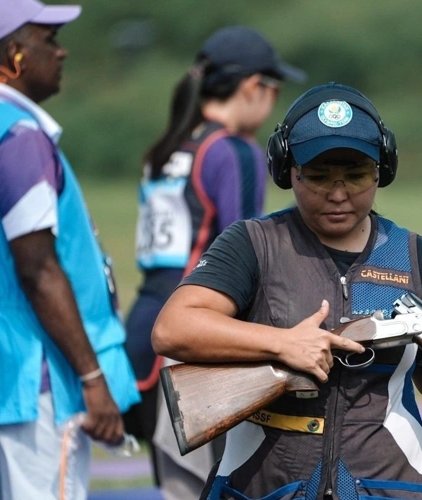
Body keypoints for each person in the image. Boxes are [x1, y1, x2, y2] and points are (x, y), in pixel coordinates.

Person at [152, 82, 422, 500]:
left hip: (387, 485)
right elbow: (173, 328)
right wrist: (283, 344)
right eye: (318, 178)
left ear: (381, 172)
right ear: (288, 170)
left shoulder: (413, 254)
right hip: (266, 486)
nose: (337, 194)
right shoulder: (253, 243)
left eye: (356, 176)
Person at [122, 25, 306, 498]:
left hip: (143, 337)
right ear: (253, 87)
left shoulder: (167, 148)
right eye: (274, 89)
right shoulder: (234, 151)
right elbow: (248, 258)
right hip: (197, 344)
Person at [0, 0, 140, 498]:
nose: (61, 52)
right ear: (15, 54)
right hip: (35, 370)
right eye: (49, 39)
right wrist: (92, 376)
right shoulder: (18, 137)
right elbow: (38, 268)